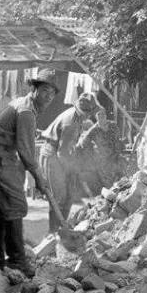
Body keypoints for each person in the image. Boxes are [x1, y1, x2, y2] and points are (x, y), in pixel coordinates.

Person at [0, 68, 58, 275]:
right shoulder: (26, 111)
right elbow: (27, 152)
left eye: (52, 92)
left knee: (5, 212)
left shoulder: (25, 105)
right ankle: (17, 261)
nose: (49, 96)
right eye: (45, 90)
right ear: (35, 89)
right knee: (16, 206)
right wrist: (39, 178)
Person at [39, 92, 102, 233]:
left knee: (70, 195)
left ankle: (61, 228)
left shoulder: (78, 117)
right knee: (59, 197)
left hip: (62, 153)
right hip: (52, 155)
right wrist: (72, 171)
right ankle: (54, 232)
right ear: (87, 112)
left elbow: (69, 150)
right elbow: (62, 154)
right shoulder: (71, 123)